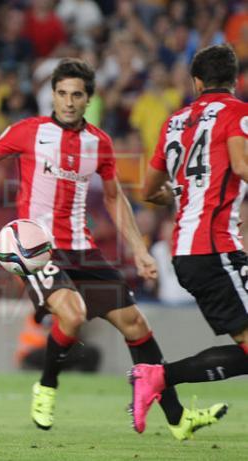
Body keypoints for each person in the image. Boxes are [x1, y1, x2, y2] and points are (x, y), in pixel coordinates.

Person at [0, 58, 225, 440]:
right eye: (62, 93)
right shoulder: (29, 132)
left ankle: (177, 419)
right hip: (38, 249)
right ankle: (47, 385)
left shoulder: (99, 143)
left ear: (89, 99)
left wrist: (139, 250)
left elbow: (117, 199)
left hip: (83, 249)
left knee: (137, 325)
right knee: (72, 315)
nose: (68, 101)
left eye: (77, 95)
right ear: (51, 94)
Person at [132, 43, 248, 434]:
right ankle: (159, 378)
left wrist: (179, 193)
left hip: (187, 251)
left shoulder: (174, 121)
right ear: (235, 80)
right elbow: (241, 165)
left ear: (197, 82)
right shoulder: (238, 112)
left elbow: (148, 190)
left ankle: (158, 378)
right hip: (216, 249)